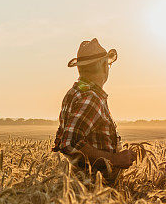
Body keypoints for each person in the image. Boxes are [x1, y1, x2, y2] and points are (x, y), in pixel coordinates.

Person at [52, 38, 136, 184]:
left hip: (80, 185)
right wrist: (115, 159)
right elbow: (70, 143)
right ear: (104, 66)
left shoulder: (74, 93)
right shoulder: (91, 99)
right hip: (93, 186)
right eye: (108, 64)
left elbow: (63, 139)